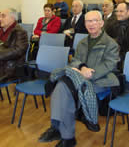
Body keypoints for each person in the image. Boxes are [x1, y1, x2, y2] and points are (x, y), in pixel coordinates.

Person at [38, 11, 119, 147]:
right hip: (79, 77)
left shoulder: (111, 44)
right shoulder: (82, 42)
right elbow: (75, 60)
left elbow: (109, 65)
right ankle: (65, 135)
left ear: (101, 23)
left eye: (94, 21)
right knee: (63, 87)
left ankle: (63, 133)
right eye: (88, 21)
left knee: (65, 88)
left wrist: (89, 73)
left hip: (100, 80)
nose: (91, 24)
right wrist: (81, 67)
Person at [105, 3, 129, 69]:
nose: (118, 13)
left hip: (128, 57)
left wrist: (122, 55)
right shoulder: (110, 25)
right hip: (112, 56)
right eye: (117, 11)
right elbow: (106, 41)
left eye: (121, 11)